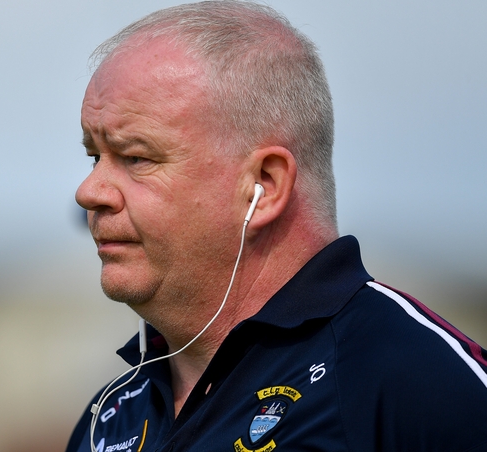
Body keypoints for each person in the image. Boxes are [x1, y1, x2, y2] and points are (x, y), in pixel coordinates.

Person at [66, 1, 487, 451]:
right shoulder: (109, 417)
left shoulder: (412, 380)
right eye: (95, 155)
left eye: (136, 157)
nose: (89, 191)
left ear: (263, 185)